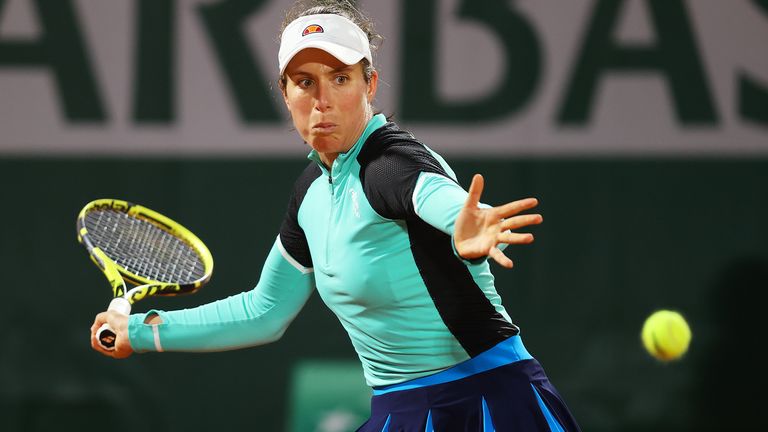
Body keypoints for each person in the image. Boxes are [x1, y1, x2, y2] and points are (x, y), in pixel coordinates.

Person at [90, 1, 581, 430]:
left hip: (489, 402)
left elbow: (434, 195)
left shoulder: (392, 164)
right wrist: (142, 333)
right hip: (399, 412)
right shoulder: (310, 194)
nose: (322, 101)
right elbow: (264, 312)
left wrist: (465, 225)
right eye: (305, 83)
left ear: (370, 83)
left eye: (340, 79)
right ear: (284, 93)